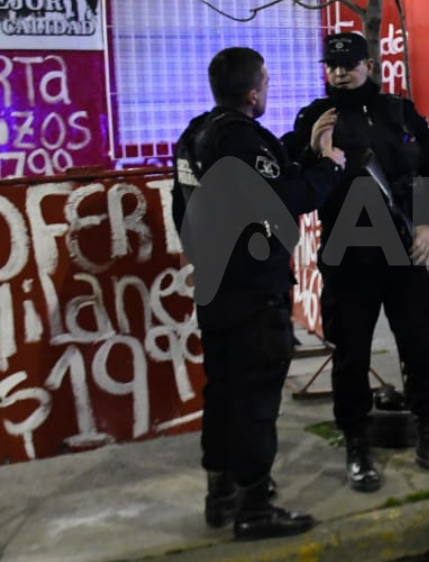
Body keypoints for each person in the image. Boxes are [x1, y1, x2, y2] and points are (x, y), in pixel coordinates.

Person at [172, 47, 346, 541]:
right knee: (255, 399)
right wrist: (329, 166)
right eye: (267, 82)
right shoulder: (240, 140)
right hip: (253, 292)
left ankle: (220, 495)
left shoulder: (194, 137)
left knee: (224, 391)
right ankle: (255, 507)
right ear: (254, 90)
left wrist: (307, 152)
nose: (268, 88)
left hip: (215, 287)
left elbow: (181, 213)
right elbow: (285, 199)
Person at [290, 32, 429, 491]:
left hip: (405, 247)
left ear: (370, 65)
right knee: (351, 354)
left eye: (348, 64)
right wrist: (310, 148)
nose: (339, 73)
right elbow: (294, 181)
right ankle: (357, 444)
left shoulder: (399, 111)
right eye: (331, 66)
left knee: (423, 346)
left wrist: (428, 225)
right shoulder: (315, 117)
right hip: (348, 250)